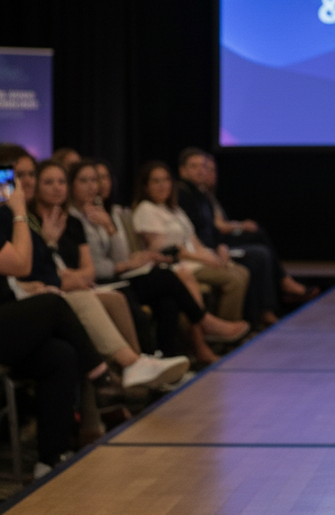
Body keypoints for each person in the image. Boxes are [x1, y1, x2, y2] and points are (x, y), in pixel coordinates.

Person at [12, 156, 191, 390]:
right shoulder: (26, 221)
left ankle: (139, 370)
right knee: (146, 287)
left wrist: (109, 228)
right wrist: (55, 254)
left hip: (76, 284)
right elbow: (33, 270)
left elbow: (94, 267)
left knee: (152, 294)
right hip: (57, 289)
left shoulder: (71, 221)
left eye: (60, 182)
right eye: (48, 182)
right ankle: (136, 369)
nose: (56, 187)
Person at [0, 167, 126, 477]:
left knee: (61, 356)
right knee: (56, 305)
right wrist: (18, 213)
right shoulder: (16, 216)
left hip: (8, 317)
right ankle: (102, 375)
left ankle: (49, 459)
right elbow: (21, 264)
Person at [68, 159, 248, 363]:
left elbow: (119, 256)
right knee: (168, 277)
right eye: (85, 181)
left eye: (96, 180)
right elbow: (101, 267)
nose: (94, 186)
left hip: (121, 274)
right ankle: (203, 323)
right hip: (106, 281)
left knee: (168, 301)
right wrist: (127, 263)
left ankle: (166, 361)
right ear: (72, 185)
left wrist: (110, 229)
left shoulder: (104, 213)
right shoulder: (74, 218)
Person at [131, 161, 250, 325]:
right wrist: (204, 259)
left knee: (242, 271)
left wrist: (212, 256)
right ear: (145, 186)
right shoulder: (146, 210)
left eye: (166, 180)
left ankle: (229, 327)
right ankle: (223, 332)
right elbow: (167, 251)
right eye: (156, 181)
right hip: (179, 266)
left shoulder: (174, 209)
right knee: (234, 279)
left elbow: (194, 240)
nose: (162, 186)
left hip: (194, 260)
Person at [204, 153, 318, 305]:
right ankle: (284, 284)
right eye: (205, 169)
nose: (209, 174)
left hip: (220, 241)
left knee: (260, 246)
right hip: (218, 243)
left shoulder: (207, 196)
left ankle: (276, 297)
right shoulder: (195, 199)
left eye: (212, 170)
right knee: (258, 246)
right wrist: (240, 225)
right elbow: (217, 227)